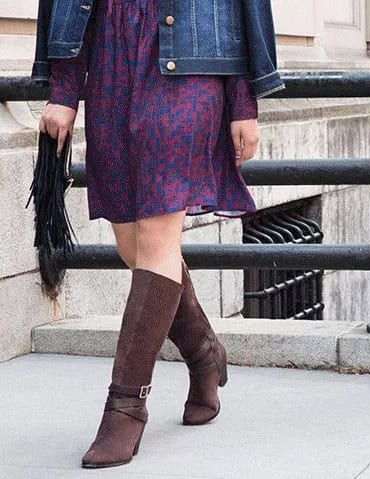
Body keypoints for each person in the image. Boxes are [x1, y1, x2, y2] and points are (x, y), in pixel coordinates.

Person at [33, 0, 284, 469]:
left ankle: (126, 406)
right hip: (109, 57)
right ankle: (204, 352)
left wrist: (243, 103)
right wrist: (64, 89)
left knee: (156, 238)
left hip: (190, 65)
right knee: (130, 243)